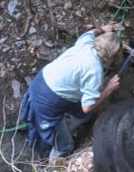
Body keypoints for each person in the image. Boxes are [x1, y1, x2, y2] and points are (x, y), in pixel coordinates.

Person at [20, 23, 122, 158]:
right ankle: (52, 167)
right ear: (110, 57)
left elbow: (91, 32)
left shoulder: (86, 42)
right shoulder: (94, 71)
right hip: (48, 101)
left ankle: (66, 129)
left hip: (41, 81)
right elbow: (87, 107)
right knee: (66, 145)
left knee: (83, 115)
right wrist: (108, 89)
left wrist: (103, 29)